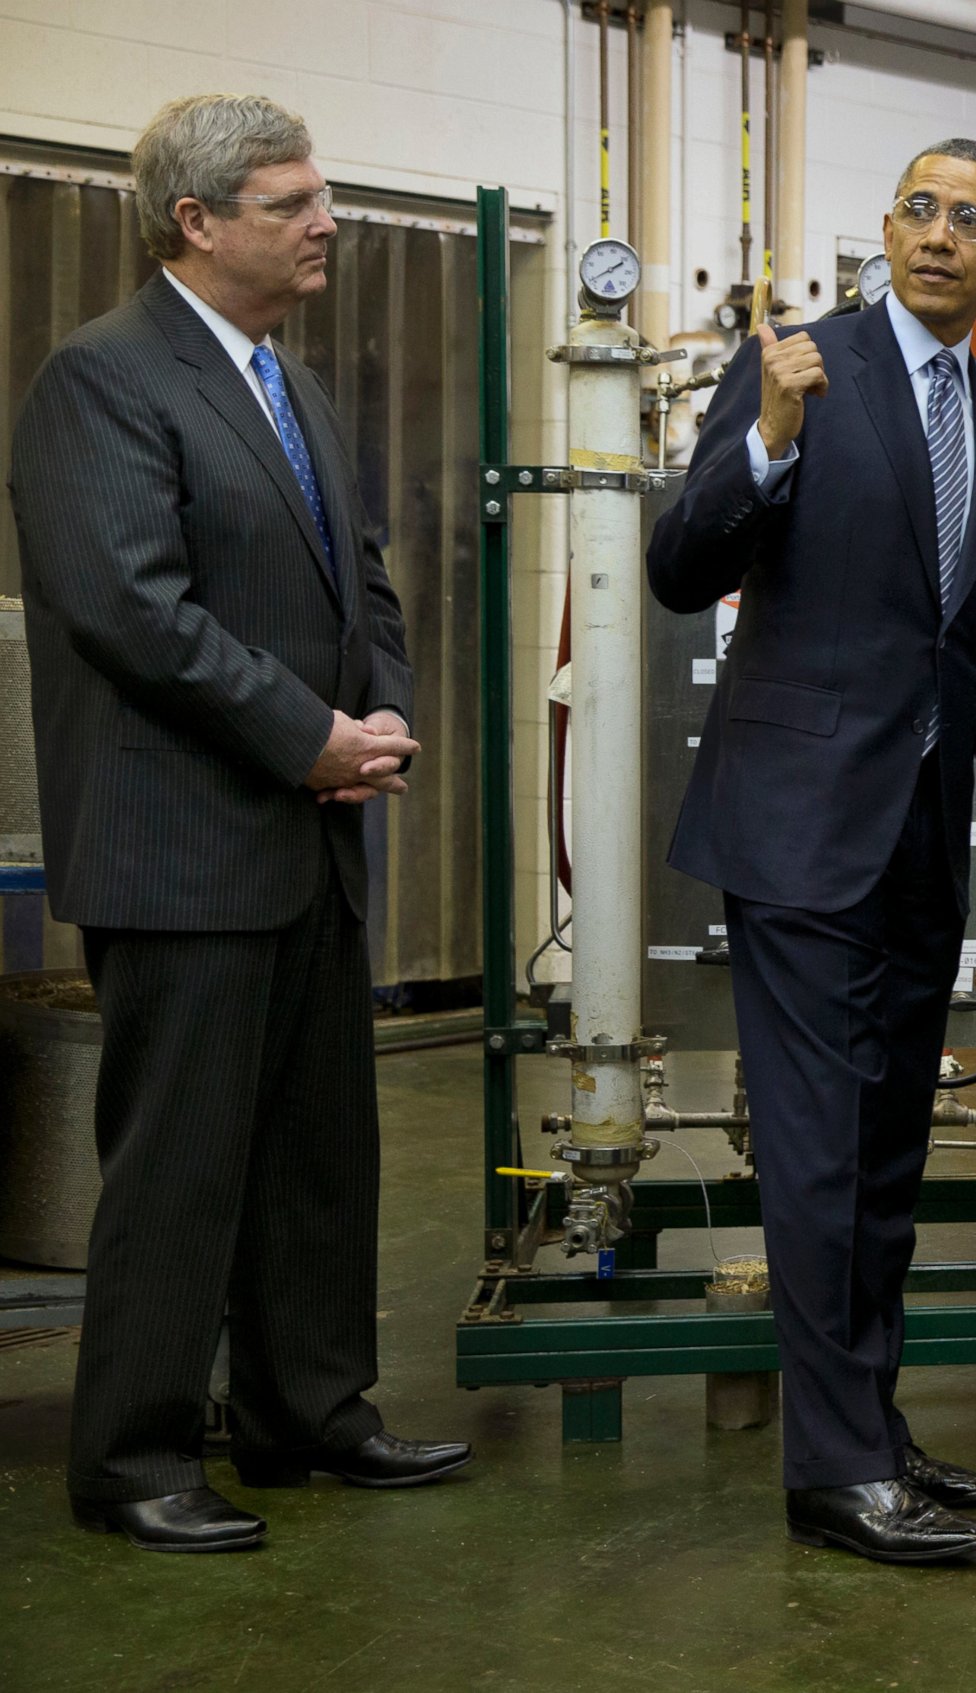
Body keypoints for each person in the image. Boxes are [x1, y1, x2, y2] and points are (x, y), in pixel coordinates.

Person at [8, 93, 465, 1554]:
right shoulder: (104, 382)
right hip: (183, 848)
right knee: (180, 1169)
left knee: (319, 1159)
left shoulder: (287, 380)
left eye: (324, 194)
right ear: (196, 223)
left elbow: (363, 581)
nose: (328, 220)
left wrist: (376, 715)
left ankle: (308, 1413)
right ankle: (134, 1455)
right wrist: (308, 737)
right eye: (293, 201)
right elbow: (129, 609)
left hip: (309, 838)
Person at [646, 139, 976, 1566]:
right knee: (816, 1159)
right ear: (887, 225)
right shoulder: (799, 365)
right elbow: (679, 564)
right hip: (801, 826)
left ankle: (870, 1429)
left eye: (974, 222)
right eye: (920, 209)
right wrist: (765, 438)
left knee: (885, 1159)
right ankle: (830, 1472)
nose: (940, 236)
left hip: (927, 841)